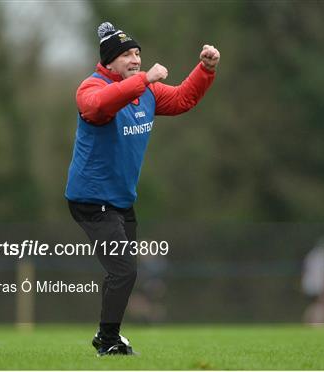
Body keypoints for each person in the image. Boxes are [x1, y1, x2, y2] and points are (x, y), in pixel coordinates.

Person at [65, 22, 220, 356]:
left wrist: (205, 69)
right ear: (109, 61)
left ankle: (109, 335)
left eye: (137, 53)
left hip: (121, 201)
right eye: (126, 55)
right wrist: (142, 80)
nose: (135, 59)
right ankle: (107, 341)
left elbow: (181, 99)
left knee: (121, 273)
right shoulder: (91, 87)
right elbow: (98, 106)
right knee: (124, 270)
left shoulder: (145, 91)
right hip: (90, 200)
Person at [301, 236, 324, 325]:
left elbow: (304, 271)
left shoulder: (311, 254)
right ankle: (319, 323)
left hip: (308, 284)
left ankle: (310, 322)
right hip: (319, 284)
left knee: (315, 305)